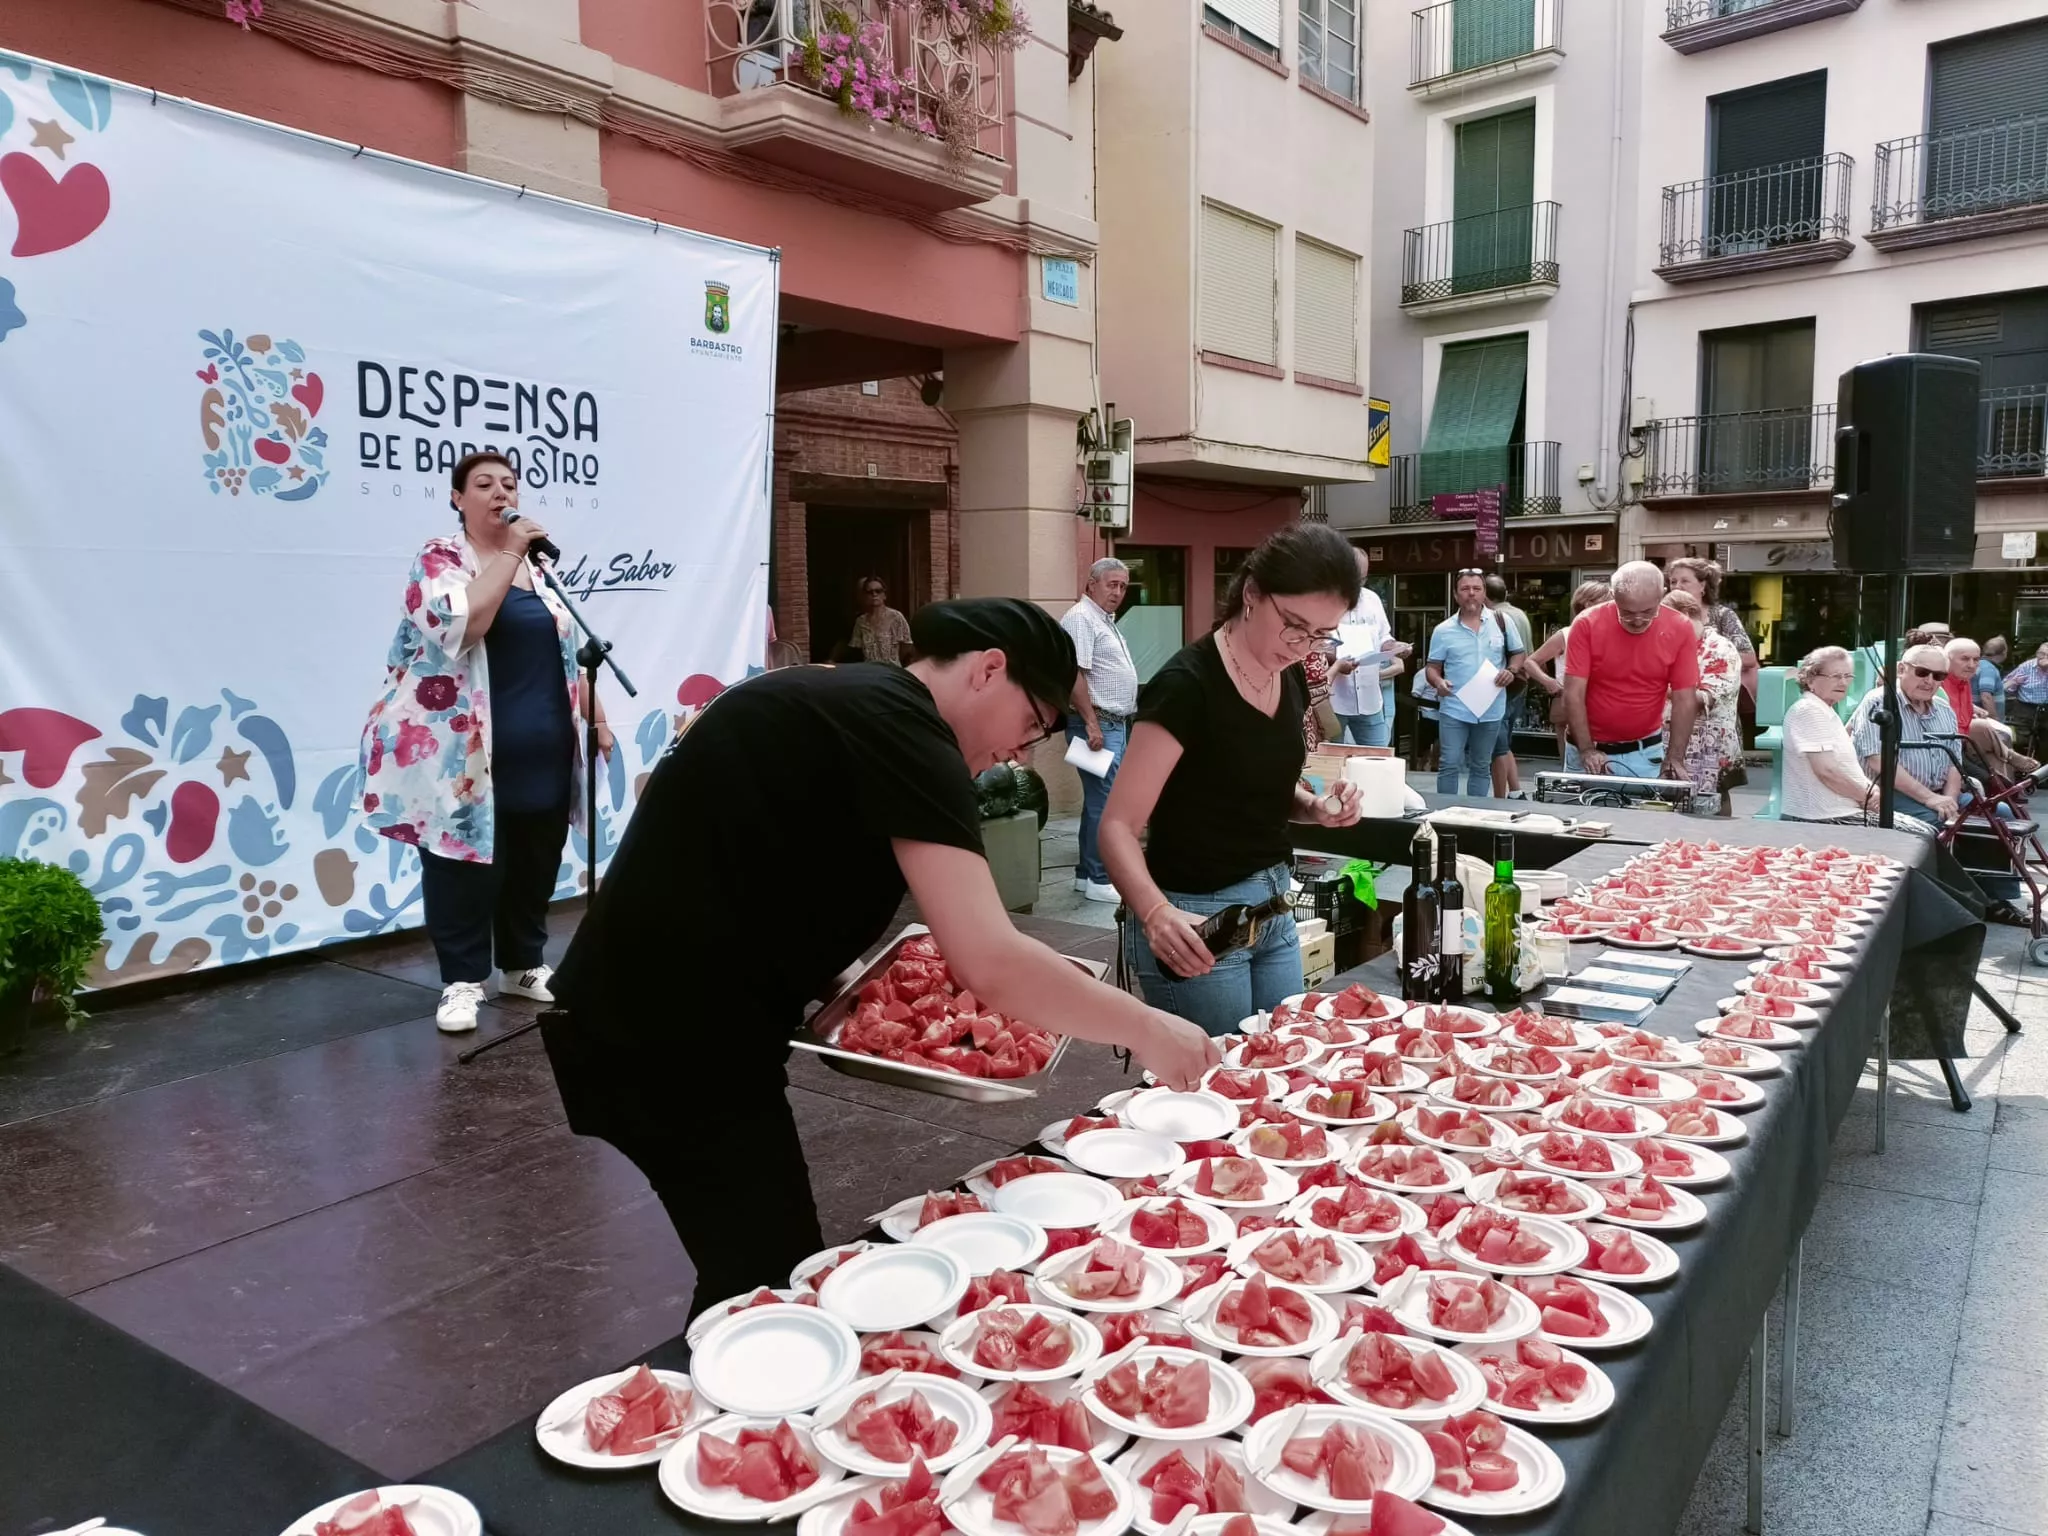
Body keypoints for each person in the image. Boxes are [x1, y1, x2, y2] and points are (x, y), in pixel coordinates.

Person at [540, 598, 1219, 1314]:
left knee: (761, 1260)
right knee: (766, 1278)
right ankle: (724, 1379)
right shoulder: (904, 726)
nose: (1017, 754)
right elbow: (989, 959)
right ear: (990, 670)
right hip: (667, 1041)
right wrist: (1148, 1027)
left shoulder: (858, 698)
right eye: (1030, 726)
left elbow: (760, 854)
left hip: (669, 1021)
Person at [358, 451, 610, 1034]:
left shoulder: (539, 570)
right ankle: (462, 981)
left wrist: (595, 713)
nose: (502, 493)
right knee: (462, 866)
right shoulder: (441, 558)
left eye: (510, 484)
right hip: (463, 752)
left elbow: (564, 650)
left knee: (536, 854)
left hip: (542, 745)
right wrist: (511, 553)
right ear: (458, 498)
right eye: (485, 484)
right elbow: (461, 625)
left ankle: (522, 964)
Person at [1100, 524, 1367, 1036]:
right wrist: (1155, 913)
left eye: (1321, 635)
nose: (1302, 646)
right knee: (1216, 1072)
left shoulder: (1287, 672)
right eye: (1294, 625)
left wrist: (1313, 807)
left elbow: (1249, 783)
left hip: (1274, 905)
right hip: (1197, 917)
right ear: (1252, 593)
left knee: (1285, 1057)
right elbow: (1116, 826)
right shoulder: (1186, 686)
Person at [1562, 561, 1699, 779]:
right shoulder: (1587, 623)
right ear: (1612, 595)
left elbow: (1685, 698)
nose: (1637, 620)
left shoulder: (1680, 627)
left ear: (1662, 595)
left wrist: (1675, 758)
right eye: (1626, 612)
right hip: (1588, 748)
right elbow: (1573, 693)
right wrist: (1586, 749)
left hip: (1644, 751)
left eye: (1648, 611)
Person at [1061, 558, 1138, 903]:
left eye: (1123, 586)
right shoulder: (1081, 618)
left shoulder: (1101, 619)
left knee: (1097, 801)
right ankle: (1099, 878)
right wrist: (1092, 724)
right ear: (1091, 584)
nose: (1118, 592)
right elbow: (1074, 674)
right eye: (1112, 584)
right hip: (1097, 725)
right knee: (1104, 804)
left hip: (1110, 724)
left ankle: (1085, 875)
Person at [1425, 569, 1522, 797]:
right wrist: (1438, 682)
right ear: (1456, 595)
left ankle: (1475, 813)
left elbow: (1519, 654)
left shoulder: (1502, 622)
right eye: (1465, 589)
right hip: (1455, 707)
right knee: (1449, 763)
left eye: (1477, 588)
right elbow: (1432, 667)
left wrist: (1511, 671)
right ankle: (1446, 812)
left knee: (1481, 765)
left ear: (1484, 593)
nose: (1471, 593)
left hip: (1490, 707)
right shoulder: (1443, 630)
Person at [1849, 642, 1963, 827]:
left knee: (1998, 812)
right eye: (1922, 672)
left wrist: (1950, 802)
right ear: (1901, 669)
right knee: (1935, 822)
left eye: (1938, 676)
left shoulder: (1944, 709)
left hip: (1938, 793)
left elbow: (1954, 763)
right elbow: (1878, 760)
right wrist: (1930, 798)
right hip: (1889, 793)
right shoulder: (1881, 702)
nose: (1929, 681)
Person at [1778, 646, 1880, 826]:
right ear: (1810, 679)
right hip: (1822, 817)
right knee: (1921, 833)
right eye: (1835, 676)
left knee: (1924, 831)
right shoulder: (1808, 711)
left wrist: (1873, 789)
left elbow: (1846, 766)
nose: (1843, 683)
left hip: (1846, 810)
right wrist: (1866, 797)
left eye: (1848, 676)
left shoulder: (1824, 710)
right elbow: (1827, 771)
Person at [1661, 590, 1741, 816]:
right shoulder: (1673, 645)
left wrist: (1654, 686)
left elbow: (1704, 698)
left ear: (1686, 614)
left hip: (1709, 746)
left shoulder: (1719, 648)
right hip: (1674, 741)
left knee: (1710, 808)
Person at [1526, 579, 1612, 760]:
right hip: (1570, 703)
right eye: (1606, 601)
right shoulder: (1566, 634)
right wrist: (1548, 682)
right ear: (1588, 604)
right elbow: (1530, 662)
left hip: (1602, 706)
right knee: (1572, 760)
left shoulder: (1611, 634)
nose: (1611, 607)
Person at [1329, 547, 1406, 746]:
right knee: (1332, 759)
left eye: (1362, 579)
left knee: (1378, 758)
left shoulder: (1372, 599)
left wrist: (1396, 647)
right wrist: (1337, 659)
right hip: (1335, 699)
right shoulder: (1323, 600)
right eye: (1353, 578)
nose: (1357, 584)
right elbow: (1315, 645)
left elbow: (1383, 637)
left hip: (1369, 698)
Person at [1665, 558, 1758, 704]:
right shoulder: (1664, 617)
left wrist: (1708, 657)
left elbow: (1749, 658)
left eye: (1685, 581)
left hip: (1714, 698)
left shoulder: (1722, 615)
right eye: (1673, 582)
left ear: (1702, 585)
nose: (1677, 587)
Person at [1483, 574, 1531, 797]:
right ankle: (1516, 790)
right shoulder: (1519, 614)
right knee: (1504, 742)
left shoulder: (1496, 617)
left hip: (1501, 684)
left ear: (1485, 595)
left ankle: (1500, 797)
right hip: (1519, 684)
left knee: (1498, 745)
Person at [849, 577, 914, 665]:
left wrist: (893, 660)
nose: (874, 594)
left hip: (891, 669)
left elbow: (907, 645)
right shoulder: (861, 621)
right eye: (870, 592)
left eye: (878, 591)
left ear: (884, 595)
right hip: (870, 669)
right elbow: (856, 648)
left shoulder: (896, 617)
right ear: (865, 596)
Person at [2004, 642, 2048, 759]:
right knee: (2021, 741)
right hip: (2025, 708)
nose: (2043, 657)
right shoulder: (2026, 666)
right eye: (2041, 653)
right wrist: (2014, 683)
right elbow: (2005, 686)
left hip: (2046, 709)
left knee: (2045, 742)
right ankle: (2020, 764)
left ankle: (2042, 765)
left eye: (2047, 655)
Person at [1979, 637, 2009, 721]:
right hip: (1987, 721)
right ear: (2004, 653)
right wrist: (1994, 719)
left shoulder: (1979, 664)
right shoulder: (1989, 668)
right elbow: (1986, 696)